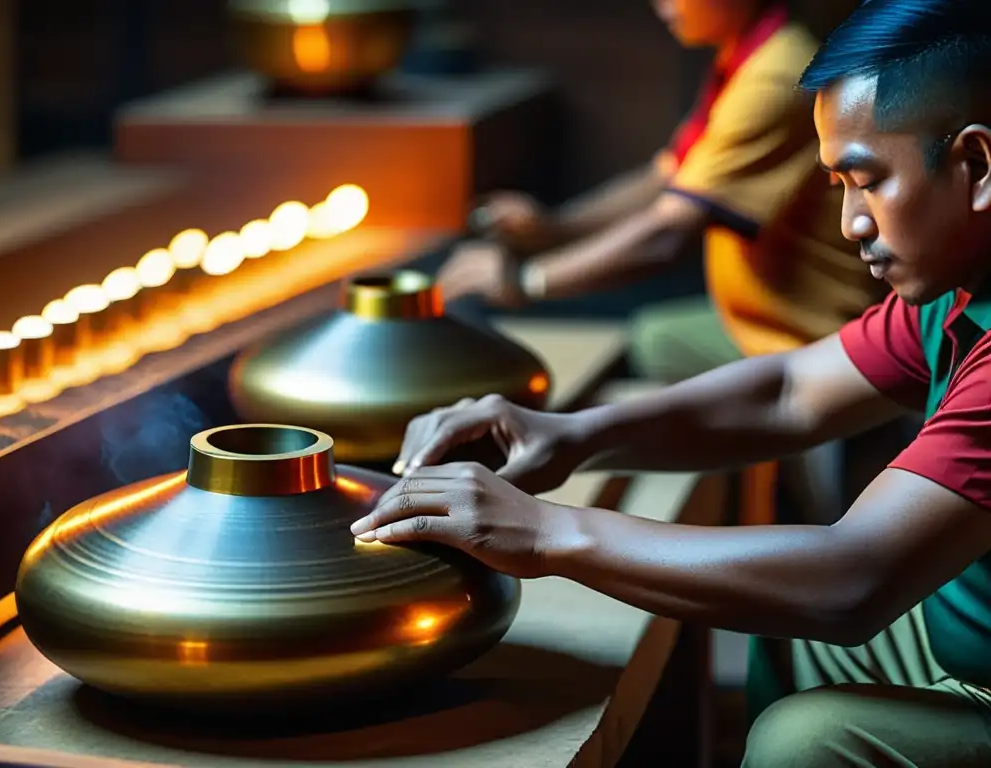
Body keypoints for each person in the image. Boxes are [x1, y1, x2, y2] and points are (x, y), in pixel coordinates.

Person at [351, 0, 991, 764]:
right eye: (839, 186)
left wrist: (548, 532)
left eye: (867, 181)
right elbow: (790, 390)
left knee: (803, 740)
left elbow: (849, 580)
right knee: (783, 625)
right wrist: (573, 436)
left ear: (976, 167)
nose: (852, 222)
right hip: (964, 644)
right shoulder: (954, 288)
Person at [442, 0, 884, 380]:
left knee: (637, 343)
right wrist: (553, 228)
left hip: (805, 336)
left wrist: (525, 281)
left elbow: (666, 235)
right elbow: (669, 176)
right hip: (757, 315)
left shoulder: (775, 75)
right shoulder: (747, 55)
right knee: (646, 334)